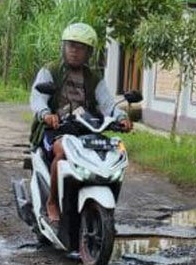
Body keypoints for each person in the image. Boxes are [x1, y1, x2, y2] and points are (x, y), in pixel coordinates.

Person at [29, 22, 132, 224]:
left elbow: (108, 104)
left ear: (89, 52)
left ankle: (99, 209)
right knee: (63, 153)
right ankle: (52, 202)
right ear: (64, 47)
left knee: (109, 154)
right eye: (71, 45)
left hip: (85, 129)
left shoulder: (94, 78)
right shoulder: (49, 71)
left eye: (80, 47)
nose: (74, 51)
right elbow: (37, 97)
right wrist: (45, 113)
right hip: (55, 129)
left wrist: (120, 117)